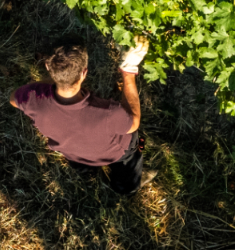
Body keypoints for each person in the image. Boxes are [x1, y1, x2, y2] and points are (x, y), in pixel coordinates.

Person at [11, 37, 151, 195]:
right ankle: (127, 188)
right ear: (84, 73)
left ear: (47, 67)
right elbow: (134, 122)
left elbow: (13, 99)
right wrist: (128, 71)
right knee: (137, 144)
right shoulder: (109, 113)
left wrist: (44, 86)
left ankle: (87, 171)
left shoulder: (33, 98)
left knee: (81, 164)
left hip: (73, 153)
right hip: (118, 153)